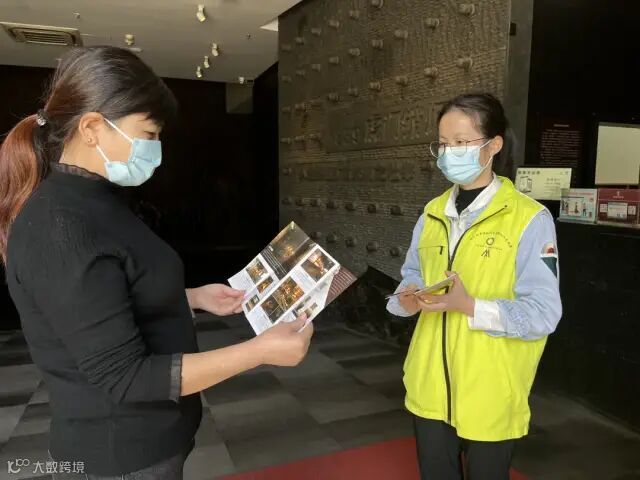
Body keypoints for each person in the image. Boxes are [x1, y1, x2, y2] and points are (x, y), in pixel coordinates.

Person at [0, 46, 313, 479]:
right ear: (91, 128)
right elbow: (126, 377)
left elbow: (105, 293)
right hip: (119, 457)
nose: (156, 148)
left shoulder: (98, 197)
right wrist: (259, 351)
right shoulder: (60, 226)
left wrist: (193, 297)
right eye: (148, 134)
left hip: (154, 439)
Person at [387, 93, 562, 480]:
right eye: (443, 143)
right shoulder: (432, 214)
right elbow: (413, 274)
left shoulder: (529, 219)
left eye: (461, 142)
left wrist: (470, 306)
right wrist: (409, 297)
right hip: (429, 386)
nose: (449, 153)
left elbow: (544, 313)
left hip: (490, 390)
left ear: (493, 145)